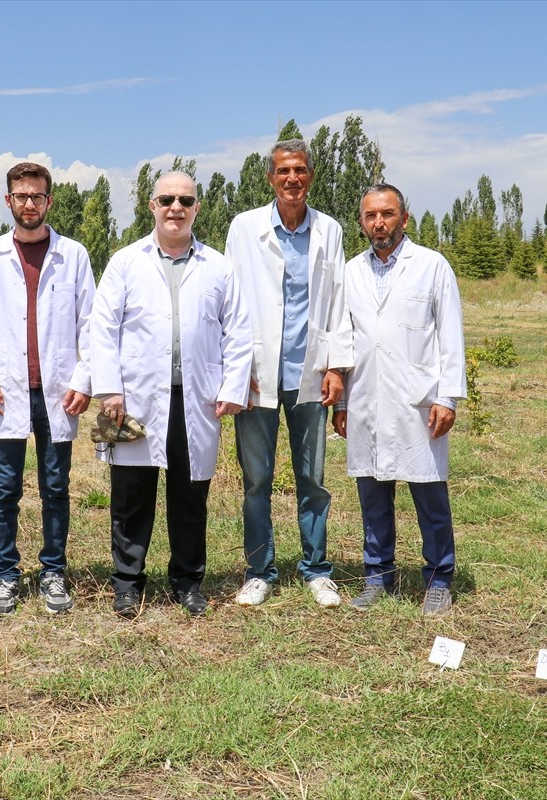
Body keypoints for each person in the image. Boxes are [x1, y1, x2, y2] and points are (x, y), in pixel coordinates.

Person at [89, 172, 252, 618]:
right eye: (166, 200)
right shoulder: (126, 262)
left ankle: (188, 581)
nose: (175, 208)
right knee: (131, 496)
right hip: (133, 400)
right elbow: (102, 328)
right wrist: (109, 390)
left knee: (190, 495)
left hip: (196, 399)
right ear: (152, 206)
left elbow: (238, 332)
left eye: (185, 200)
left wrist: (233, 387)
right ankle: (127, 584)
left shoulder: (218, 266)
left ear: (197, 207)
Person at [0, 161, 95, 616]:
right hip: (6, 390)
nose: (30, 203)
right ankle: (7, 576)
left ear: (49, 201)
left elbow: (90, 322)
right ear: (8, 201)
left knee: (56, 487)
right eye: (22, 196)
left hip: (59, 390)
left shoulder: (73, 255)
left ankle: (53, 572)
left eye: (37, 196)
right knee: (5, 489)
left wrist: (84, 379)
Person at [224, 139, 352, 609]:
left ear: (310, 176)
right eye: (283, 171)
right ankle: (259, 571)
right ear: (270, 178)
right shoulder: (245, 228)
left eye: (300, 170)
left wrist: (335, 367)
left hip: (309, 372)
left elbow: (338, 301)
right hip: (256, 373)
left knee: (312, 478)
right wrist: (236, 368)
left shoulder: (329, 230)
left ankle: (317, 570)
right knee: (256, 480)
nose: (292, 178)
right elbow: (230, 300)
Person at [332, 183, 467, 616]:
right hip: (365, 398)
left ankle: (438, 580)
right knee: (372, 494)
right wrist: (341, 404)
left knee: (429, 493)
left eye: (387, 214)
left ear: (404, 219)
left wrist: (447, 397)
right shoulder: (351, 271)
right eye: (370, 216)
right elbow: (343, 338)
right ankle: (378, 576)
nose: (379, 223)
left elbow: (450, 335)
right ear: (361, 223)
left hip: (418, 401)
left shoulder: (431, 266)